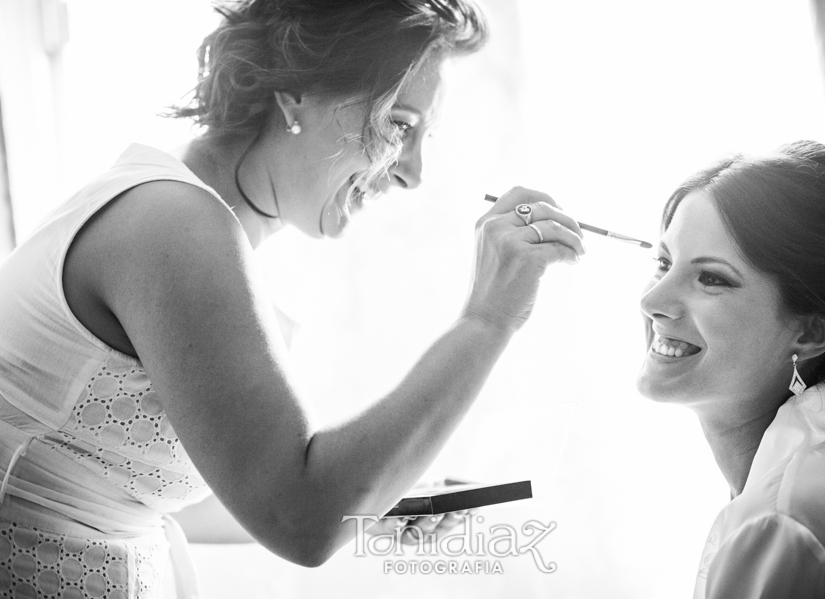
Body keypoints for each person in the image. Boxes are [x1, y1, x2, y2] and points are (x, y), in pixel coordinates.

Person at [0, 1, 585, 596]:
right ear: (296, 94)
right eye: (399, 125)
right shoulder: (173, 225)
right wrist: (489, 317)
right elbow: (300, 519)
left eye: (424, 135)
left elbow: (148, 495)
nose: (414, 173)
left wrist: (378, 497)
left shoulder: (188, 217)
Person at [637, 140, 825, 598]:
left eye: (712, 278)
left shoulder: (780, 524)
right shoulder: (812, 476)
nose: (652, 301)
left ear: (812, 332)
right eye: (663, 262)